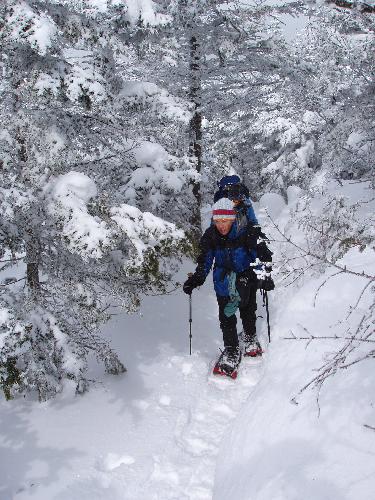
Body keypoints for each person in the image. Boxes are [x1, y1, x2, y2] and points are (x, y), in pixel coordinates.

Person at [183, 198, 272, 377]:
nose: (221, 225)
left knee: (248, 310)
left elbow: (257, 255)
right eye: (217, 221)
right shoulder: (210, 236)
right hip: (223, 282)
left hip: (246, 278)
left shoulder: (245, 232)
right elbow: (206, 261)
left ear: (232, 219)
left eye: (225, 221)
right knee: (226, 318)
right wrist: (197, 279)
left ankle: (250, 337)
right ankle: (231, 350)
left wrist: (264, 277)